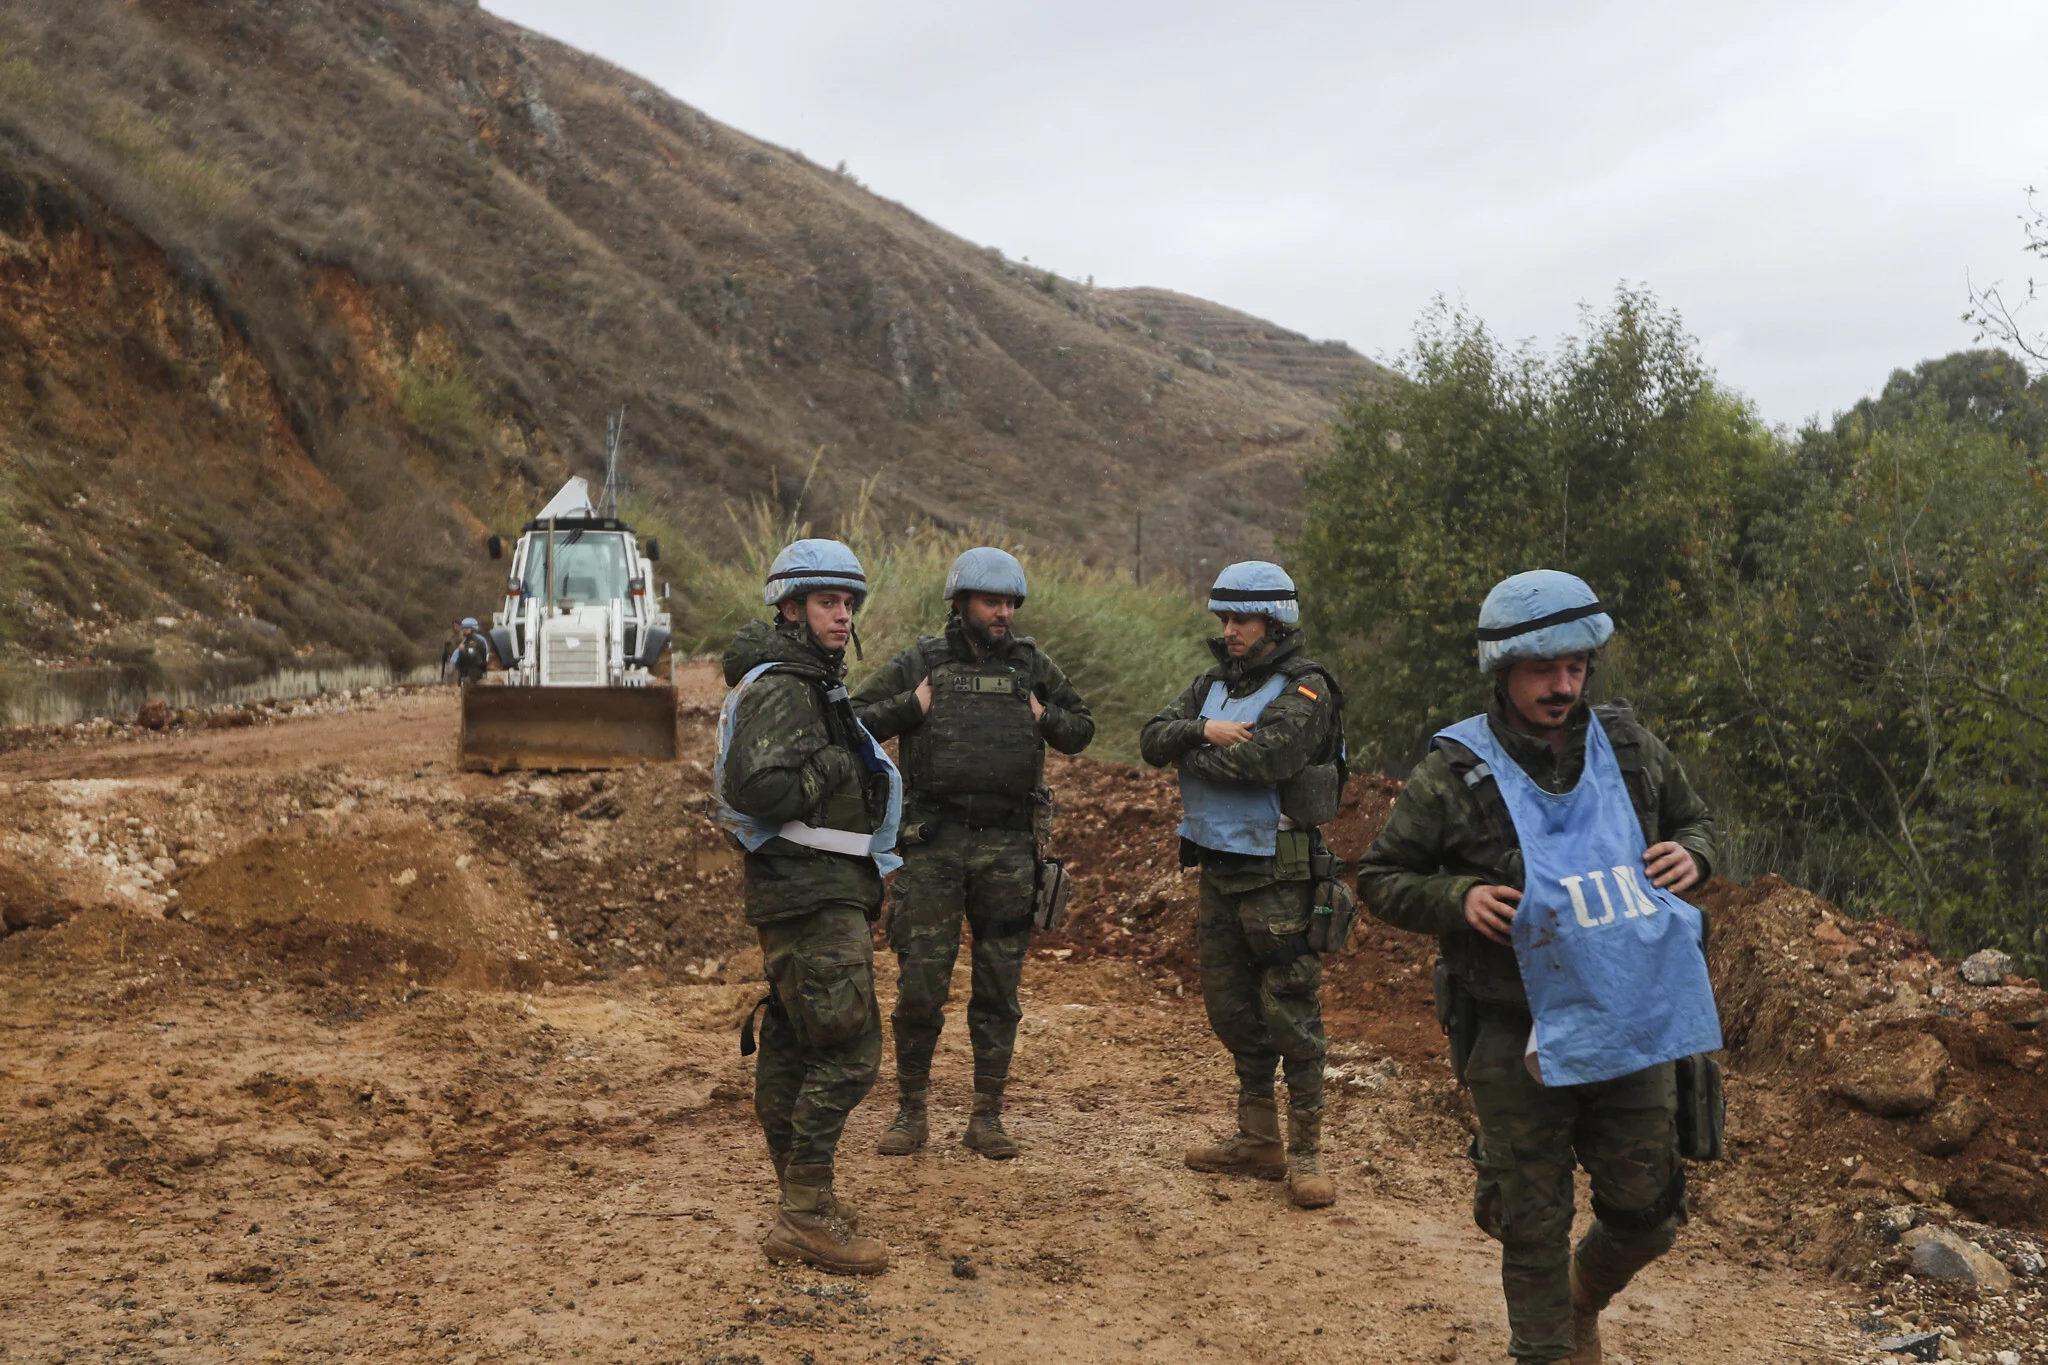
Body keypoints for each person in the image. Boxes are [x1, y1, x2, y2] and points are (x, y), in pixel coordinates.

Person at [1357, 570, 1721, 1365]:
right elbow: (1380, 876)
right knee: (1531, 1223)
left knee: (1648, 1211)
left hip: (1631, 1018)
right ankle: (1547, 1348)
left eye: (1577, 668)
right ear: (1503, 671)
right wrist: (1459, 897)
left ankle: (1582, 1292)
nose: (1564, 685)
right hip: (1513, 1026)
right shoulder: (1453, 771)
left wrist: (1690, 853)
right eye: (1544, 670)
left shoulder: (1628, 748)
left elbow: (1696, 821)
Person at [852, 547, 1095, 1160]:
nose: (1004, 613)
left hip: (1010, 847)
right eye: (993, 602)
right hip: (934, 846)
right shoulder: (923, 662)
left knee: (999, 987)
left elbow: (1081, 728)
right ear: (961, 604)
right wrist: (912, 706)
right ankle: (911, 1113)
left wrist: (1042, 713)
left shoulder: (1031, 664)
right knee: (920, 987)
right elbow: (852, 719)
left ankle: (987, 1116)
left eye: (1011, 603)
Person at [714, 539, 902, 1276]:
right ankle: (804, 1212)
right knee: (850, 1051)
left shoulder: (805, 681)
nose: (841, 613)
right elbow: (759, 785)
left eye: (848, 602)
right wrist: (834, 764)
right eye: (828, 601)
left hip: (815, 890)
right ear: (790, 607)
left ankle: (804, 1200)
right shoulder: (785, 686)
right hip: (811, 894)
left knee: (795, 1044)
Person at [1139, 561, 1347, 1209]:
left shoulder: (1307, 688)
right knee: (1231, 1008)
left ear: (1275, 622)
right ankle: (1258, 1139)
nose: (1228, 630)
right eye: (1224, 619)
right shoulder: (1211, 687)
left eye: (1241, 620)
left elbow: (1268, 758)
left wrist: (1190, 753)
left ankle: (1306, 1151)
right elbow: (1150, 739)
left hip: (1280, 873)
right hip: (1219, 867)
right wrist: (1202, 730)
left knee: (1291, 1007)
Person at [452, 618, 490, 686]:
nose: (463, 630)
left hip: (473, 674)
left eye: (466, 628)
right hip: (465, 673)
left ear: (471, 629)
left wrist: (463, 650)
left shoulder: (476, 641)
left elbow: (474, 657)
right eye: (463, 628)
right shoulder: (465, 642)